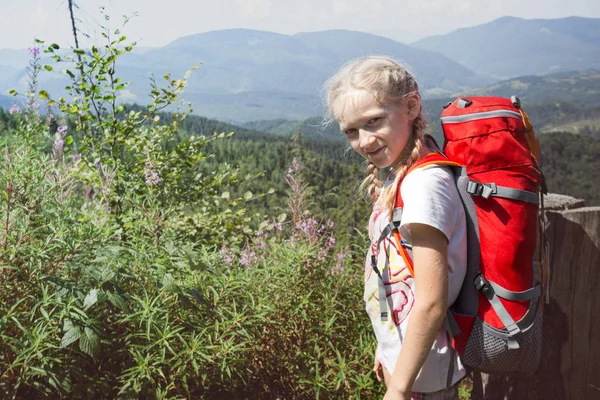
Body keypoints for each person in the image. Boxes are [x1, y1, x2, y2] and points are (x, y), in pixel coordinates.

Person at [324, 56, 467, 400]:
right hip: (408, 360)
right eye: (352, 131)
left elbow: (431, 302)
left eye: (374, 121)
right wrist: (387, 349)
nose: (364, 140)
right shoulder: (402, 175)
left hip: (424, 373)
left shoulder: (423, 186)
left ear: (412, 106)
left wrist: (399, 388)